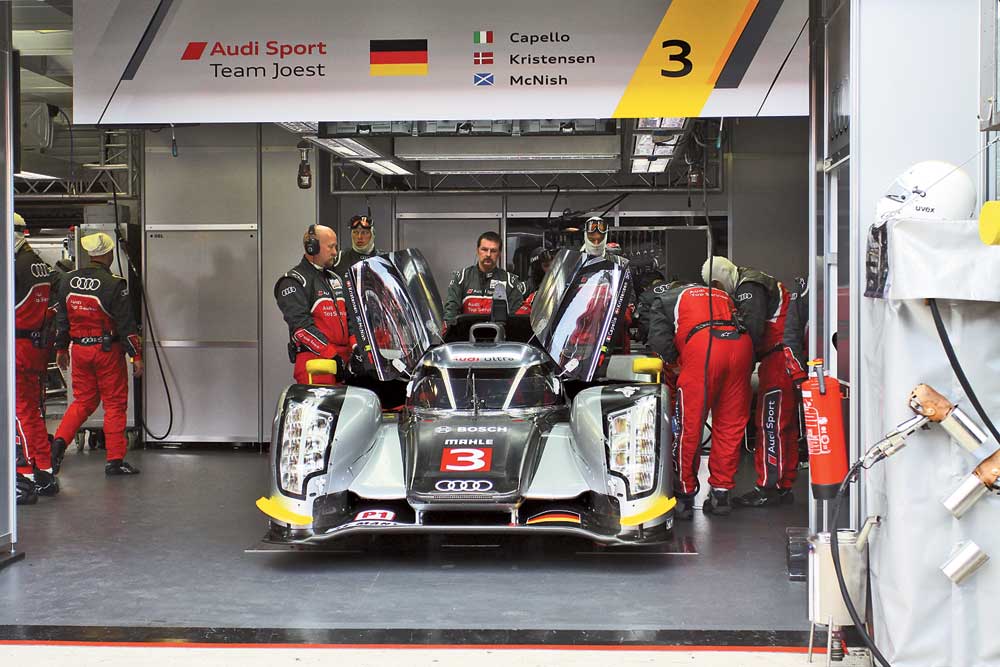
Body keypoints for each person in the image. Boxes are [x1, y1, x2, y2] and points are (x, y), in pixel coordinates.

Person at [647, 282, 753, 519]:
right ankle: (721, 494)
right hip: (741, 345)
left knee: (690, 425)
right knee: (731, 425)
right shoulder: (722, 294)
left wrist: (674, 362)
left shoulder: (664, 299)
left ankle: (684, 495)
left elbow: (658, 339)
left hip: (704, 347)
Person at [702, 256, 797, 507]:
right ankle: (783, 483)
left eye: (716, 286)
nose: (719, 292)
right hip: (785, 356)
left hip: (777, 359)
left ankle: (768, 487)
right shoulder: (756, 279)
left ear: (720, 278)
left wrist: (740, 364)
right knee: (785, 424)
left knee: (770, 422)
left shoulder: (750, 286)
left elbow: (752, 330)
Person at [51, 232, 144, 476]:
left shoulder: (67, 280)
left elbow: (62, 319)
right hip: (107, 352)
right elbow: (126, 325)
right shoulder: (114, 284)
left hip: (79, 351)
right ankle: (115, 460)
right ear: (109, 253)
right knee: (114, 404)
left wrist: (60, 348)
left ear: (90, 253)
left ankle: (58, 443)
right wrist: (136, 356)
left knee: (83, 401)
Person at [13, 213, 57, 502]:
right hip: (35, 347)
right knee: (32, 411)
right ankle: (44, 470)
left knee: (19, 412)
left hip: (17, 347)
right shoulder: (38, 263)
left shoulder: (14, 265)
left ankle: (25, 474)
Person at [275, 224, 353, 385]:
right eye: (331, 246)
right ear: (312, 247)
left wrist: (356, 348)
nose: (335, 252)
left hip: (344, 364)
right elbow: (300, 328)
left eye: (336, 247)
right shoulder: (293, 281)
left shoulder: (335, 279)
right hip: (316, 364)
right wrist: (332, 355)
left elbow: (350, 317)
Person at [443, 231, 525, 326]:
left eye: (493, 251)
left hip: (500, 334)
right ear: (477, 251)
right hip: (466, 334)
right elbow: (450, 315)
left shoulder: (510, 281)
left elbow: (516, 321)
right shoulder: (461, 277)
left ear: (499, 254)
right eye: (484, 249)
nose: (488, 254)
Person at [515, 247, 554, 316]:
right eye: (546, 265)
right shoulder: (525, 287)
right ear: (537, 268)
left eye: (552, 265)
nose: (550, 269)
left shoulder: (557, 285)